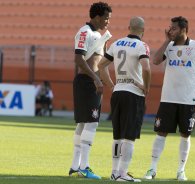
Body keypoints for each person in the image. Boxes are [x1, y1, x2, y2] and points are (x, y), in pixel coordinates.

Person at [144, 16, 195, 181]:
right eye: (170, 28)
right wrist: (166, 41)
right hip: (168, 98)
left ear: (183, 29)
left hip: (188, 100)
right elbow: (156, 60)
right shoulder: (170, 46)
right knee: (161, 133)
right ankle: (152, 169)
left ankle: (181, 171)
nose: (170, 30)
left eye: (173, 28)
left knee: (185, 135)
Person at [98, 16, 151, 182]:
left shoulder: (117, 43)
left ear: (129, 28)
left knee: (118, 134)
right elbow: (147, 69)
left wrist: (111, 85)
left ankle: (114, 172)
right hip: (133, 93)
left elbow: (101, 65)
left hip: (118, 91)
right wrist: (146, 87)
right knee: (130, 136)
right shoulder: (142, 46)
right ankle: (123, 173)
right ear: (142, 30)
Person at [69, 2, 112, 179]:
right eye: (106, 18)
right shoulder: (84, 32)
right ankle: (84, 167)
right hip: (87, 82)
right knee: (91, 123)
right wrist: (96, 79)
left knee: (83, 124)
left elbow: (99, 60)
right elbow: (78, 59)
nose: (107, 22)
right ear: (97, 17)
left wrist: (105, 46)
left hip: (90, 81)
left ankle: (75, 166)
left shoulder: (96, 34)